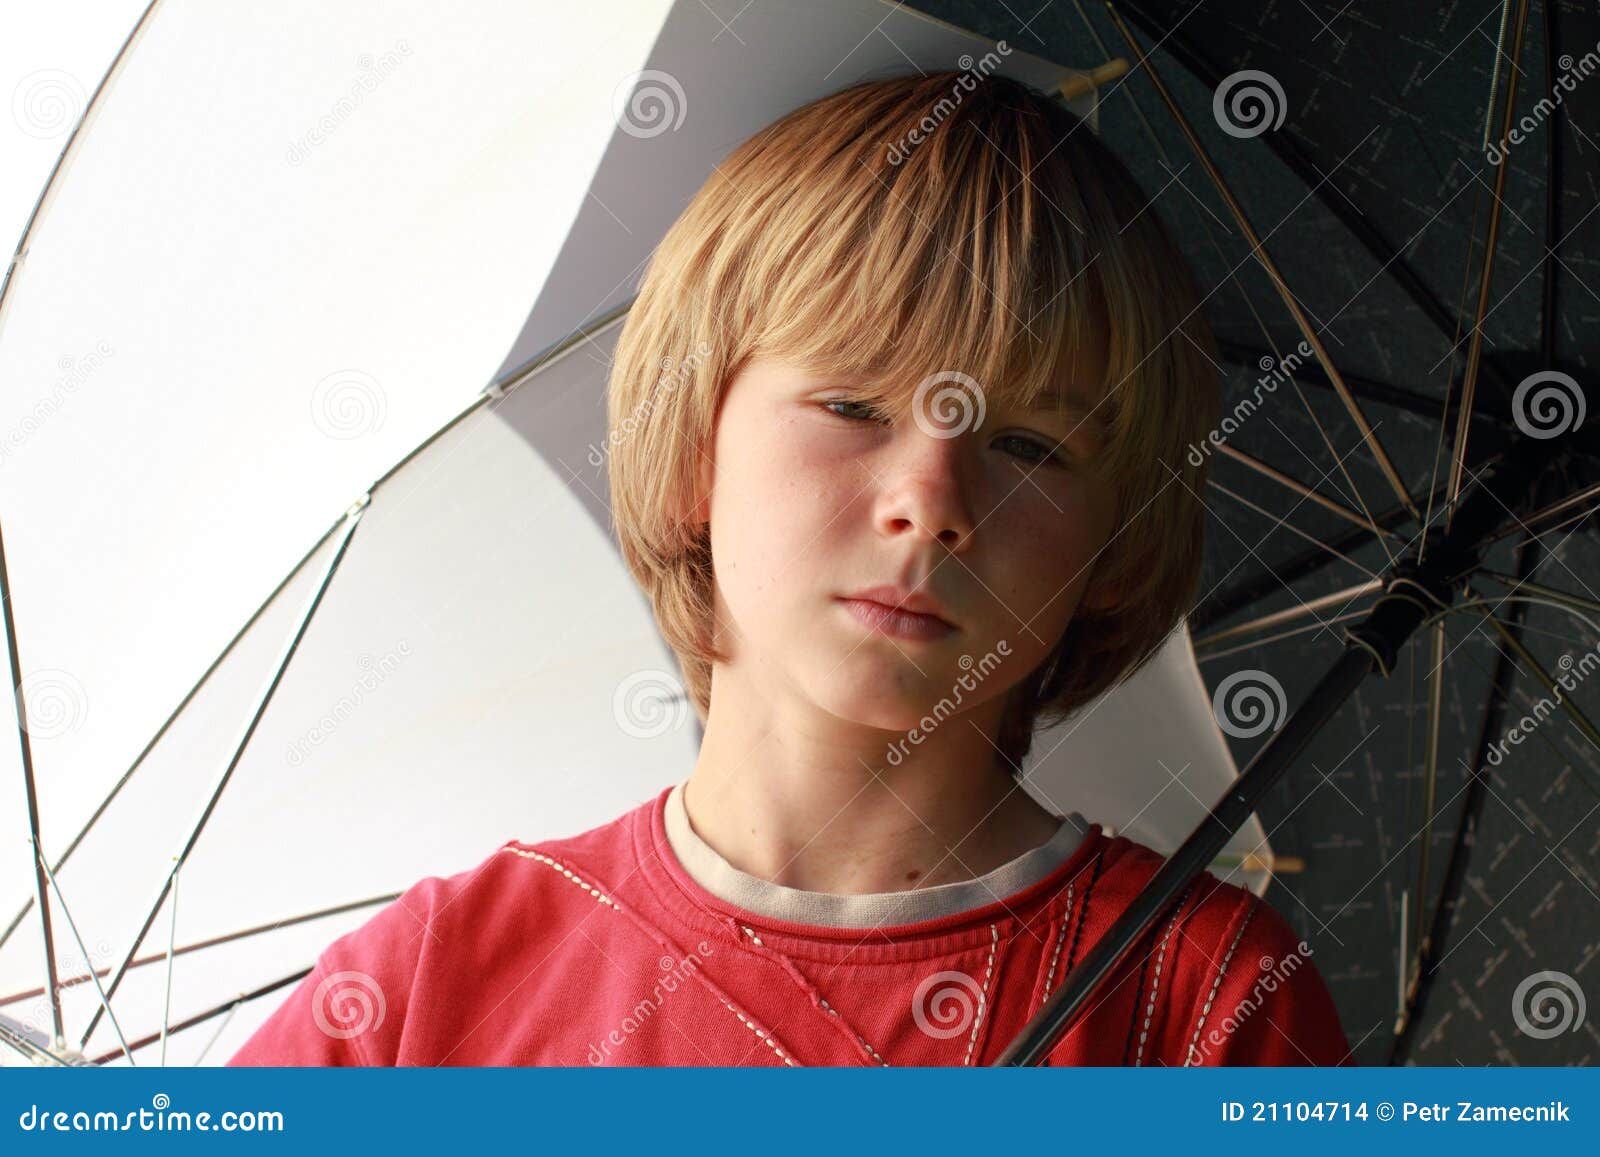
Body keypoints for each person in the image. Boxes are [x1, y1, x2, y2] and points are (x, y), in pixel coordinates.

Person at [228, 71, 1349, 1068]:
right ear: (687, 457)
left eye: (1029, 445)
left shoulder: (1197, 1003)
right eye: (853, 405)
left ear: (1113, 544)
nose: (931, 502)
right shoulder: (425, 989)